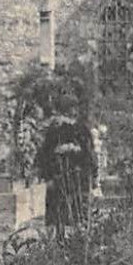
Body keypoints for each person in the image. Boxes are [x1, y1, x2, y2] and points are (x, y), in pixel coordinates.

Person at [35, 92, 94, 239]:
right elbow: (45, 154)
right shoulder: (54, 129)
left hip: (76, 175)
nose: (73, 112)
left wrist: (75, 150)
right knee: (57, 210)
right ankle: (58, 239)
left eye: (74, 108)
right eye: (69, 109)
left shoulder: (81, 129)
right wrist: (47, 177)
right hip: (58, 176)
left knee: (76, 209)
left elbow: (89, 154)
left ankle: (76, 238)